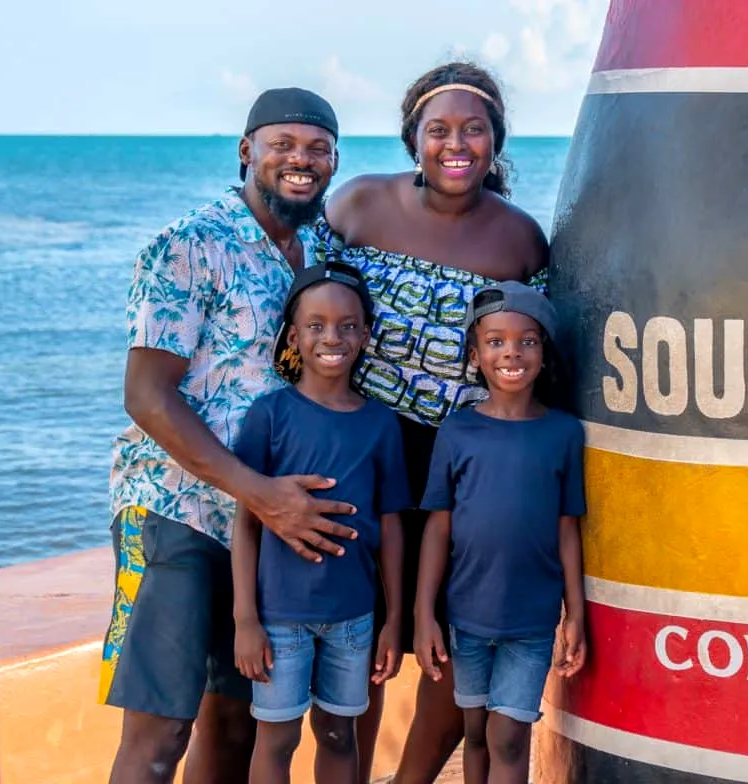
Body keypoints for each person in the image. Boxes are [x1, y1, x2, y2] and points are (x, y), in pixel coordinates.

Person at [103, 88, 365, 784]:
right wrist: (262, 493)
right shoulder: (190, 243)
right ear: (246, 151)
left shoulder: (319, 251)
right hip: (177, 511)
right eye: (282, 145)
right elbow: (146, 394)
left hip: (264, 524)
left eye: (317, 149)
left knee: (236, 724)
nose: (299, 161)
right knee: (160, 732)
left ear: (335, 162)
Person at [314, 62, 551, 782]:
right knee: (359, 642)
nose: (457, 144)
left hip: (466, 466)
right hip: (362, 452)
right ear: (412, 138)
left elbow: (534, 360)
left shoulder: (521, 242)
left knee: (452, 646)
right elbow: (305, 324)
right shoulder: (356, 205)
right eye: (438, 129)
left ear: (495, 141)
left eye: (473, 129)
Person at [229, 262, 411, 783]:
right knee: (278, 737)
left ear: (365, 334)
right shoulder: (269, 415)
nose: (332, 337)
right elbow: (247, 522)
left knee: (338, 734)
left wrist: (392, 620)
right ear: (294, 334)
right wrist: (246, 619)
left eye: (348, 325)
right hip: (279, 617)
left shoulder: (381, 424)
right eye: (316, 325)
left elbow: (392, 527)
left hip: (354, 618)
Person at [414, 282, 587, 784]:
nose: (511, 352)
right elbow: (437, 527)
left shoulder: (563, 433)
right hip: (467, 617)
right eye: (496, 342)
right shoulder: (458, 432)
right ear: (475, 355)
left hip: (532, 621)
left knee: (508, 736)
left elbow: (568, 527)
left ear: (543, 352)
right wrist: (426, 614)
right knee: (475, 734)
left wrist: (574, 613)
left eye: (526, 341)